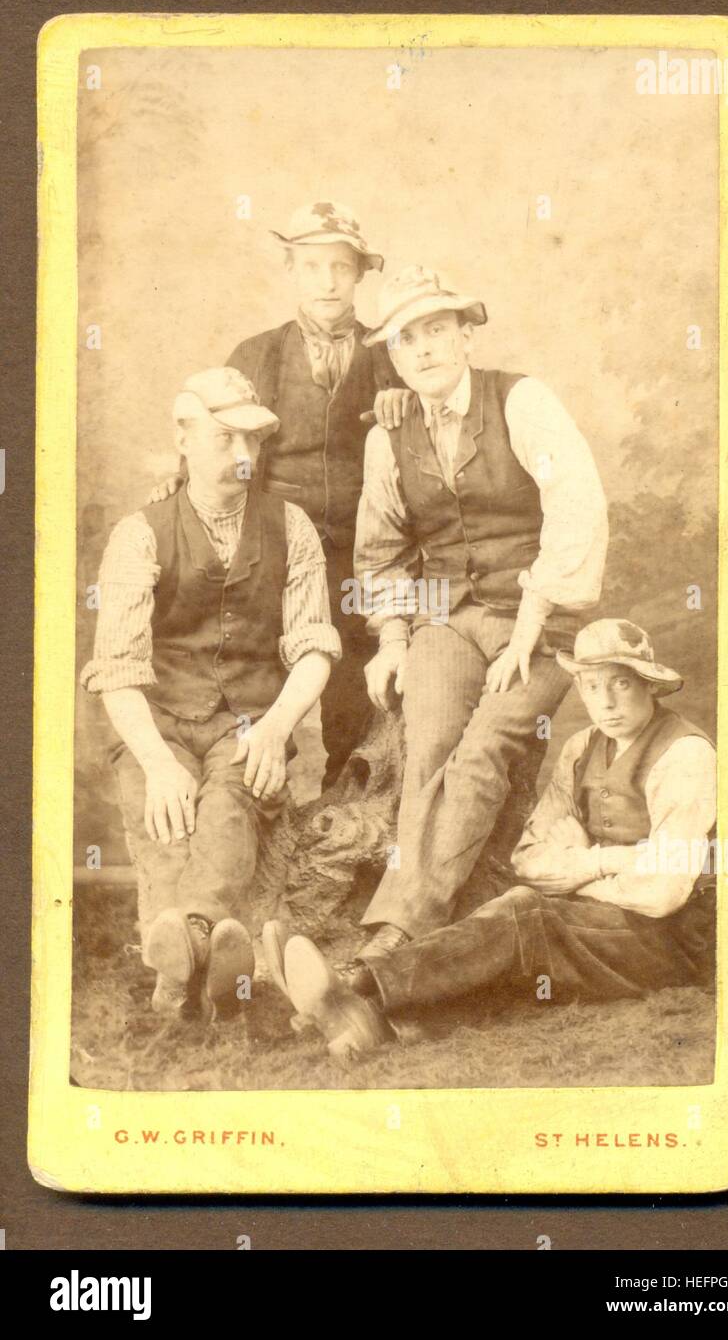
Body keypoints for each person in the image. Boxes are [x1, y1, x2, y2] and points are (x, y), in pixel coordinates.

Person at [264, 619, 717, 1062]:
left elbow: (662, 892)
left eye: (621, 683)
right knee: (508, 944)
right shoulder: (581, 748)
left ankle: (356, 985)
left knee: (526, 913)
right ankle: (374, 1021)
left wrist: (584, 861)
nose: (607, 701)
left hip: (668, 944)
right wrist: (622, 861)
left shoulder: (685, 755)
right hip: (595, 924)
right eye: (593, 686)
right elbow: (529, 859)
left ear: (649, 685)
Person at [350, 264, 609, 961]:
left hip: (539, 619)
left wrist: (529, 625)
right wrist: (393, 639)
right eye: (406, 340)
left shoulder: (521, 401)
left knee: (482, 749)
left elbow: (577, 506)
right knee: (426, 750)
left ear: (466, 335)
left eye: (436, 330)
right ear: (393, 355)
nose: (423, 349)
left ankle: (397, 932)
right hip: (445, 616)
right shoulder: (387, 437)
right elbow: (380, 550)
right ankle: (414, 924)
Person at [81, 367, 341, 1018]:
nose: (243, 455)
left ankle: (184, 952)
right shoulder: (140, 533)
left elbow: (314, 645)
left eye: (252, 440)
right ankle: (204, 951)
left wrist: (277, 727)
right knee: (165, 817)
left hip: (248, 721)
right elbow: (117, 669)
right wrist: (158, 762)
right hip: (157, 721)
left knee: (228, 806)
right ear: (183, 439)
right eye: (225, 439)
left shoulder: (290, 526)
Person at [151, 201, 411, 789]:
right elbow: (217, 429)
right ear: (291, 269)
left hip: (361, 547)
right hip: (274, 543)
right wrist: (181, 478)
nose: (327, 281)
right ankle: (258, 801)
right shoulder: (257, 353)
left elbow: (425, 447)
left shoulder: (394, 352)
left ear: (359, 274)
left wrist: (407, 404)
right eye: (312, 266)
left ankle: (345, 807)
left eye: (340, 267)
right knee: (259, 669)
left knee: (354, 678)